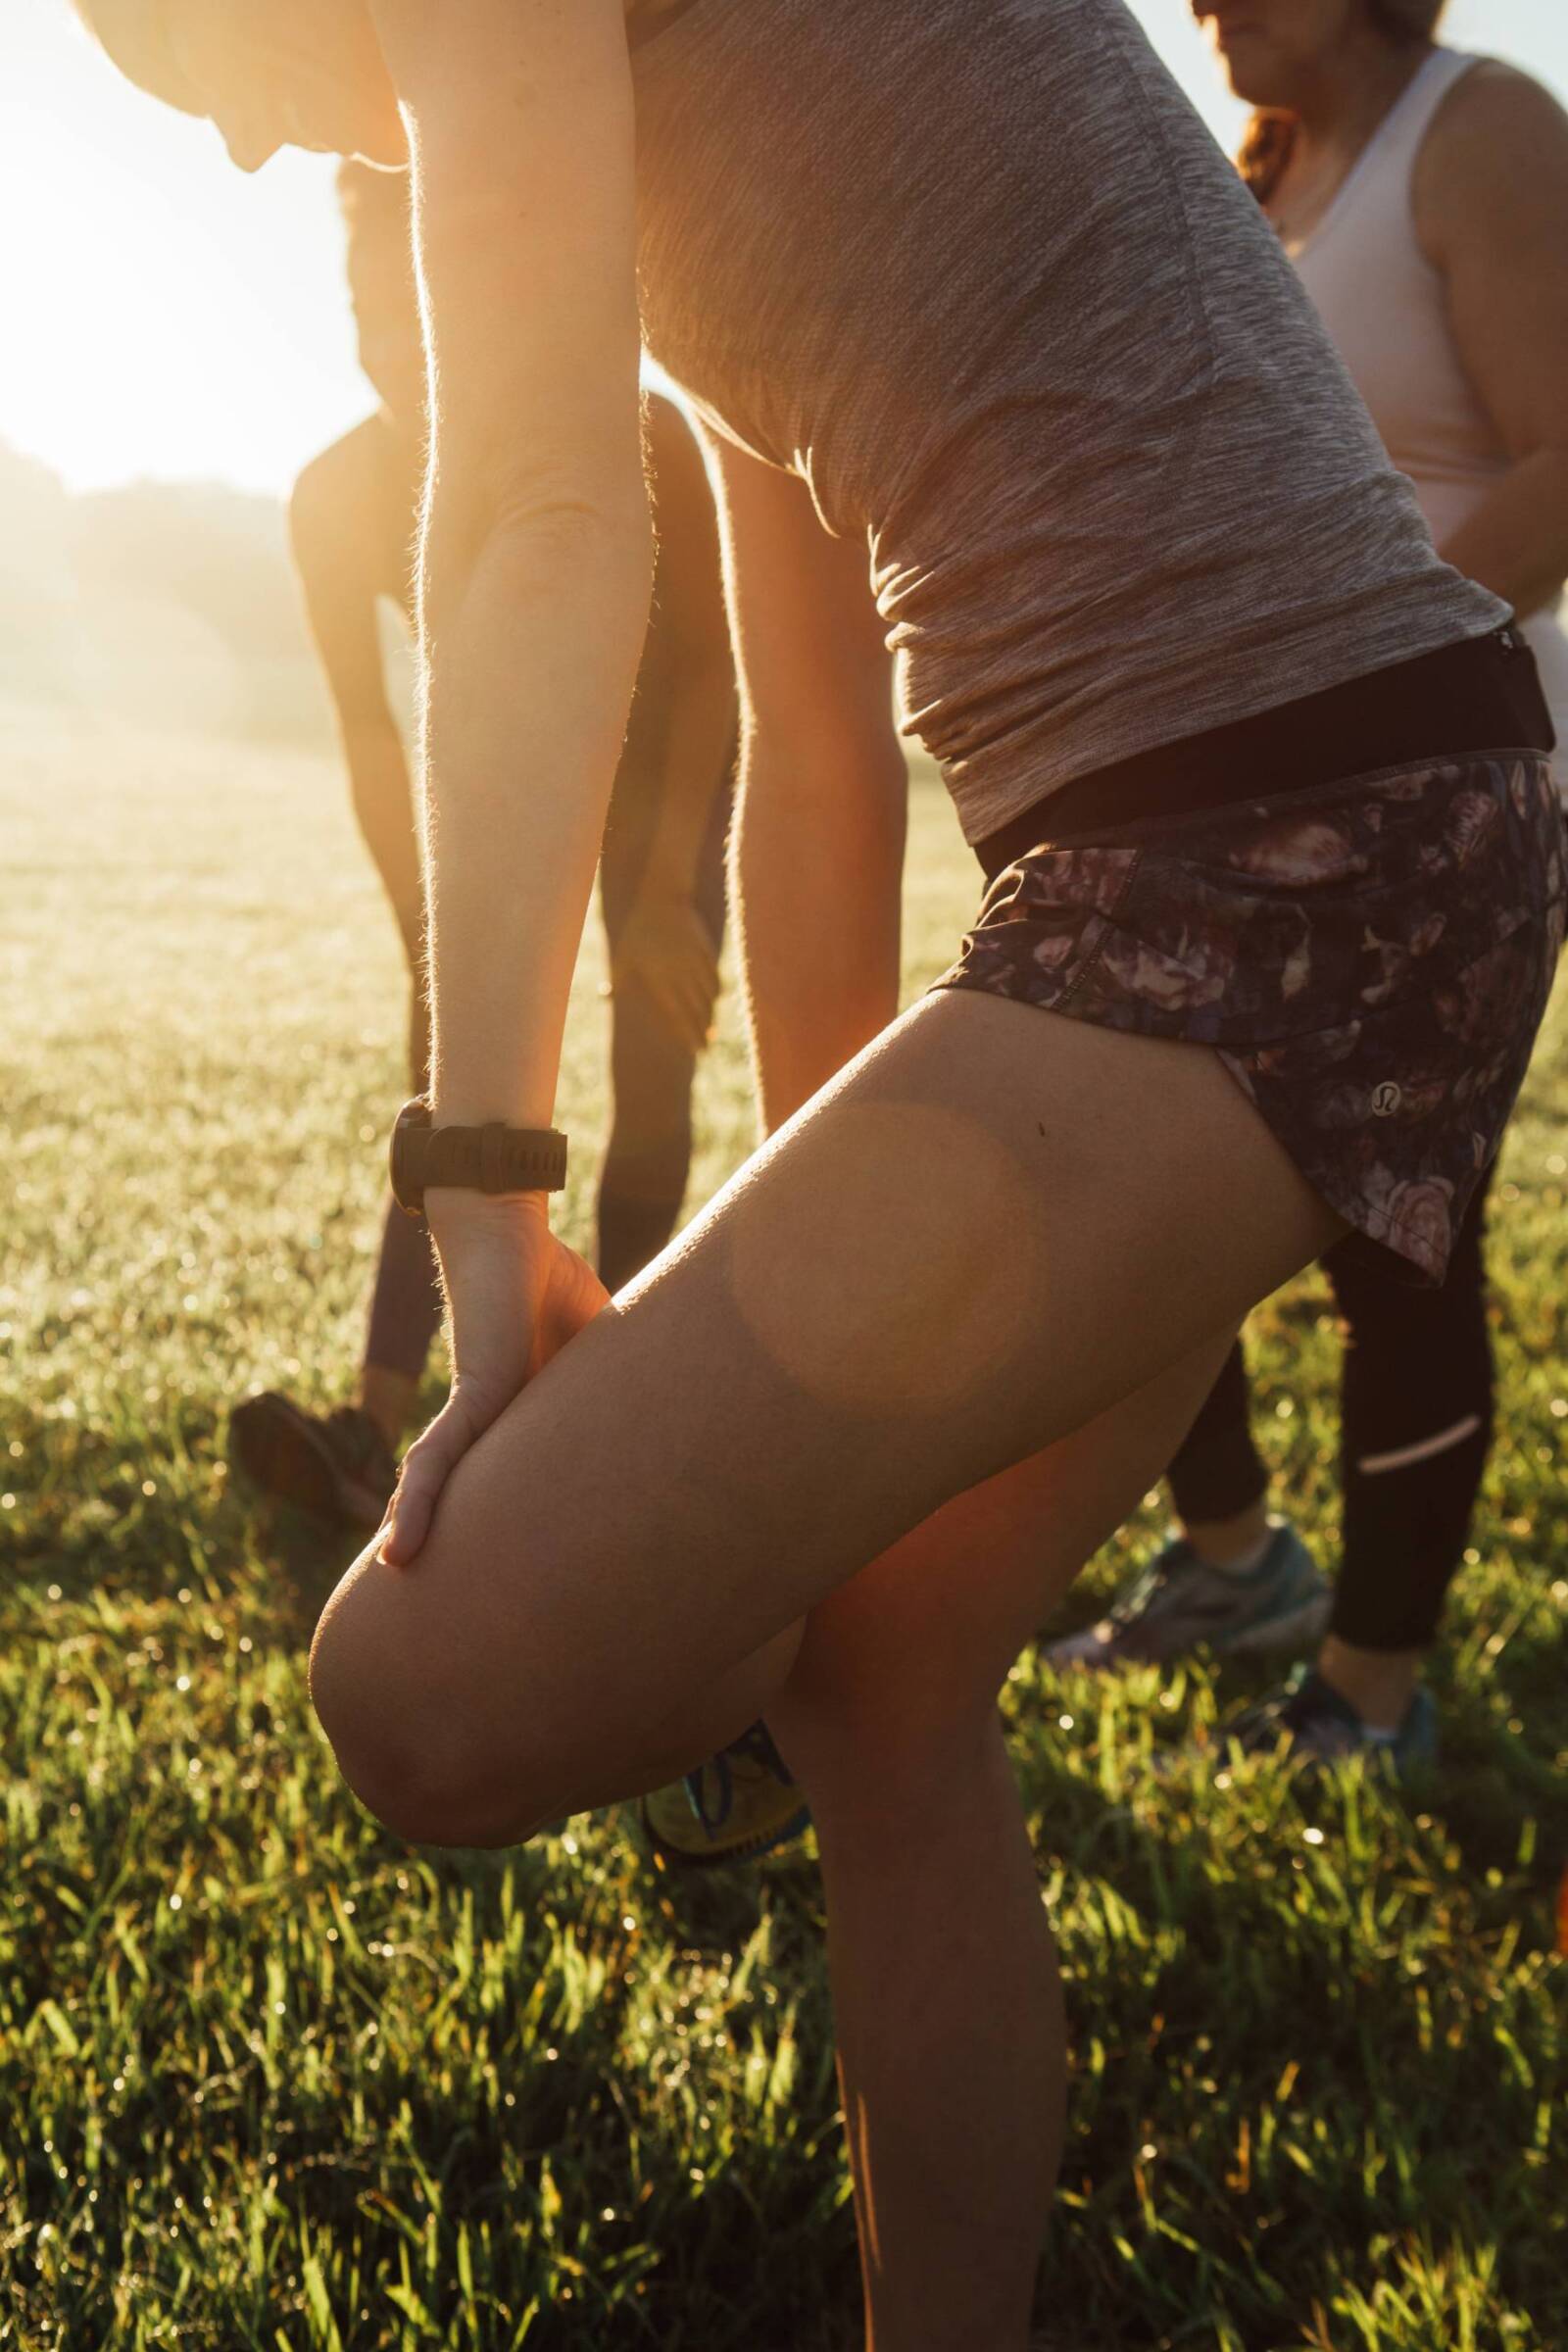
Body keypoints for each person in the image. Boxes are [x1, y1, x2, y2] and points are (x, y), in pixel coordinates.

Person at [75, 3, 1564, 2342]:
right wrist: (785, 1310)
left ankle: (723, 1650)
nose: (258, 157)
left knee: (417, 1684)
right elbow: (818, 745)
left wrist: (489, 1197)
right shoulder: (692, 127)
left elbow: (541, 517)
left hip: (1269, 841)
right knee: (882, 1685)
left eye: (209, 81)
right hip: (1356, 826)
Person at [1053, 0, 1568, 1778]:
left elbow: (1567, 461)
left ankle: (1369, 1691)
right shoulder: (1256, 177)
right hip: (1239, 777)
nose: (1202, 3)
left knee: (1395, 1241)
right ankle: (1230, 1559)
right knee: (1116, 1183)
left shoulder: (1480, 126)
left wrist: (1356, 660)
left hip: (1445, 775)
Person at [228, 160, 739, 1533]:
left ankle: (603, 1420)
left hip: (660, 790)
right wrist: (423, 931)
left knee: (651, 1066)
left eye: (410, 295)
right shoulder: (332, 496)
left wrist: (662, 899)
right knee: (447, 1102)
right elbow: (372, 738)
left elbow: (709, 689)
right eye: (359, 300)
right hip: (503, 797)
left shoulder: (640, 433)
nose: (387, 334)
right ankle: (369, 1431)